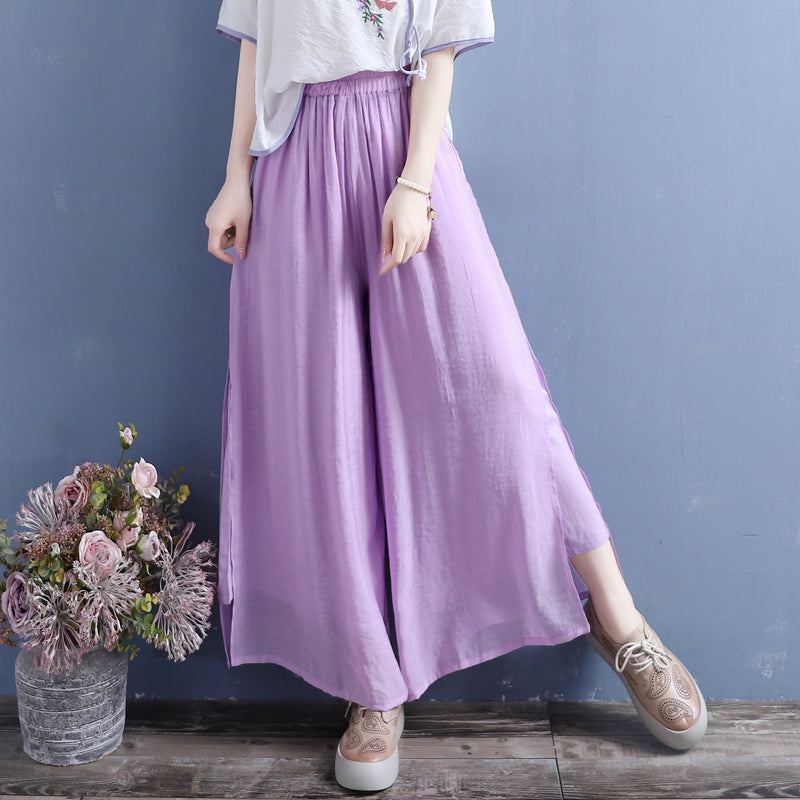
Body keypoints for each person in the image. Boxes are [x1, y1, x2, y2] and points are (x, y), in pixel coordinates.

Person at [205, 0, 708, 791]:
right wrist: (236, 176)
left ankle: (619, 619)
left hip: (406, 146)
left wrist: (415, 180)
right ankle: (373, 684)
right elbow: (256, 42)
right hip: (296, 157)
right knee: (330, 425)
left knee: (499, 390)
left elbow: (440, 42)